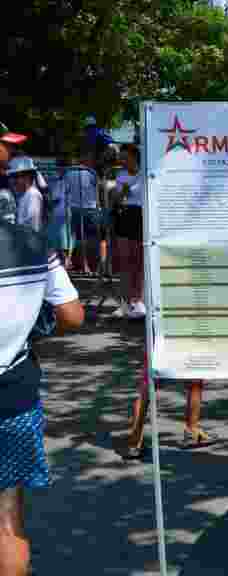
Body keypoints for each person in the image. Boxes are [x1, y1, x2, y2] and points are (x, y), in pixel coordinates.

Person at [0, 208, 85, 575]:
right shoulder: (32, 244)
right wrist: (32, 331)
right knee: (7, 518)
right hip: (13, 396)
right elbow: (73, 315)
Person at [111, 144, 145, 319]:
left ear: (134, 157)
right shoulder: (120, 175)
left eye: (125, 157)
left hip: (141, 216)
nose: (122, 161)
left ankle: (138, 301)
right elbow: (117, 198)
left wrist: (126, 190)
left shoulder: (145, 173)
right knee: (125, 262)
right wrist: (120, 194)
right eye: (121, 157)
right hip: (124, 215)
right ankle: (124, 303)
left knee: (139, 261)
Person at [7, 156, 46, 234]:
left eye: (15, 177)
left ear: (27, 177)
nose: (12, 181)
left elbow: (31, 226)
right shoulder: (24, 195)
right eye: (11, 177)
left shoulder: (33, 195)